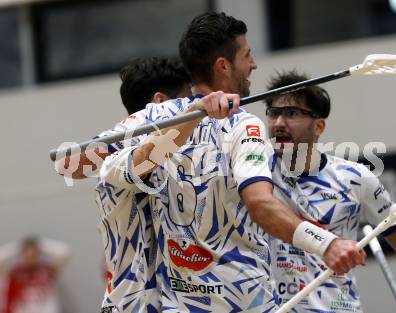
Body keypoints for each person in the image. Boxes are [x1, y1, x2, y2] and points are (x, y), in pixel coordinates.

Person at [99, 12, 365, 312]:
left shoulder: (155, 115)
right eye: (247, 55)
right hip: (241, 303)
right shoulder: (239, 124)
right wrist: (326, 244)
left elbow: (76, 162)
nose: (253, 64)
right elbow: (261, 204)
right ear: (223, 66)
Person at [265, 70, 396, 313]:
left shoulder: (355, 178)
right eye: (273, 113)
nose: (279, 123)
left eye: (291, 113)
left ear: (319, 125)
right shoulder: (253, 171)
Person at [96, 58, 240, 312]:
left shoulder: (177, 162)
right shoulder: (115, 162)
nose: (194, 111)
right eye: (185, 102)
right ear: (160, 104)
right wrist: (194, 112)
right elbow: (146, 157)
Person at [56, 57, 192, 180]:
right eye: (186, 99)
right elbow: (66, 165)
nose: (189, 105)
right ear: (160, 101)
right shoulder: (135, 127)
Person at [0, 237, 70, 313]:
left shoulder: (47, 270)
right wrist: (18, 247)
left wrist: (40, 244)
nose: (30, 258)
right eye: (27, 255)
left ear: (38, 254)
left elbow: (65, 251)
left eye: (33, 255)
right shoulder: (15, 273)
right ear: (22, 255)